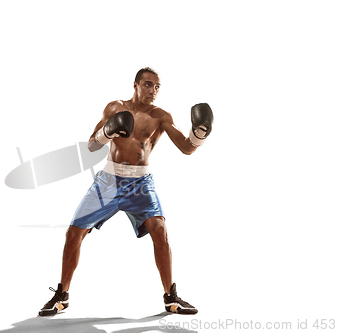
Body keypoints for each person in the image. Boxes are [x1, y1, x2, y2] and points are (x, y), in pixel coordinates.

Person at [38, 67, 213, 316]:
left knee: (160, 231)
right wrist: (106, 132)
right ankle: (62, 295)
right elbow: (91, 145)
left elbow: (186, 148)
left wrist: (199, 135)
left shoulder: (161, 116)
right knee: (74, 232)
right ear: (136, 84)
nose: (153, 91)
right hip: (108, 181)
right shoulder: (115, 108)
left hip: (140, 184)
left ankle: (171, 297)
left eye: (157, 87)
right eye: (148, 84)